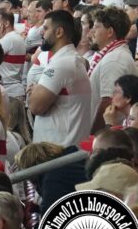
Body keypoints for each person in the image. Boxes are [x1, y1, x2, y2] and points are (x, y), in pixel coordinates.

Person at [30, 10, 92, 148]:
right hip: (64, 149)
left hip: (58, 153)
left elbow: (35, 106)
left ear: (59, 32)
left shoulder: (61, 64)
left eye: (46, 28)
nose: (41, 32)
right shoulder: (72, 60)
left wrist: (34, 90)